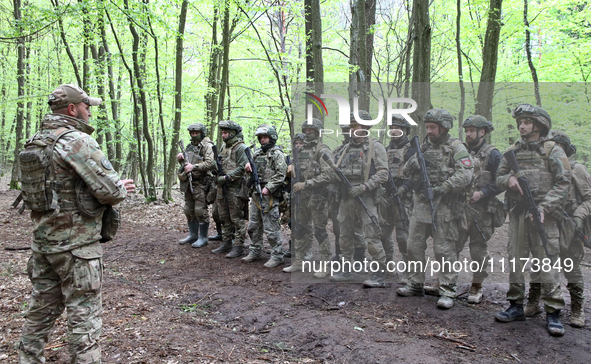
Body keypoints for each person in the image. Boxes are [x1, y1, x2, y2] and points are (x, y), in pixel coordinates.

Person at [17, 84, 135, 363]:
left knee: (39, 314)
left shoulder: (37, 140)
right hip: (77, 249)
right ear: (72, 109)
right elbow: (111, 192)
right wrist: (120, 186)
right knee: (84, 320)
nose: (89, 112)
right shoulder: (76, 141)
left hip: (44, 245)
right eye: (87, 107)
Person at [494, 104, 569, 336]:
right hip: (518, 214)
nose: (521, 126)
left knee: (547, 262)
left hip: (543, 217)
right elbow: (497, 178)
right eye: (519, 123)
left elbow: (564, 182)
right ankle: (516, 305)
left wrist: (545, 207)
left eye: (526, 122)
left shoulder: (553, 150)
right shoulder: (512, 151)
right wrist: (508, 180)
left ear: (538, 124)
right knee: (515, 260)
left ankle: (553, 312)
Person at [396, 108, 473, 308]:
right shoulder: (420, 146)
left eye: (433, 127)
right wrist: (412, 163)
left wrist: (442, 188)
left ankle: (447, 290)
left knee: (443, 249)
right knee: (413, 245)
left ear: (444, 127)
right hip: (421, 203)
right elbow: (403, 172)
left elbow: (465, 175)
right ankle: (415, 283)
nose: (429, 131)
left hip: (445, 206)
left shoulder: (456, 147)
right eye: (427, 127)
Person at [524, 130, 589, 328]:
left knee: (572, 268)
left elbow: (589, 198)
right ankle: (533, 302)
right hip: (546, 223)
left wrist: (578, 217)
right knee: (539, 264)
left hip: (569, 226)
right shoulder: (544, 169)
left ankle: (577, 309)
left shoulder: (577, 169)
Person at [329, 110, 390, 288]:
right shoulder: (345, 148)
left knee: (372, 236)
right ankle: (345, 270)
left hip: (367, 198)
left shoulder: (375, 147)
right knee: (344, 235)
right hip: (347, 197)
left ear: (365, 127)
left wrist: (364, 187)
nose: (353, 129)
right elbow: (335, 171)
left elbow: (384, 173)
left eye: (356, 125)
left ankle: (379, 275)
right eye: (351, 126)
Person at [456, 115, 503, 303]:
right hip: (460, 208)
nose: (467, 134)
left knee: (478, 248)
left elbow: (501, 182)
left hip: (482, 210)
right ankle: (446, 282)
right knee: (452, 245)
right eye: (466, 130)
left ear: (482, 132)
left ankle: (477, 285)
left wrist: (482, 193)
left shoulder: (493, 154)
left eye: (471, 131)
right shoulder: (460, 151)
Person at [285, 119, 332, 274]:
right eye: (305, 130)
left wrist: (306, 184)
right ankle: (299, 260)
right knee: (299, 228)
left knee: (319, 230)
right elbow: (293, 166)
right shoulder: (301, 149)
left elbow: (328, 175)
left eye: (310, 130)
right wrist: (290, 168)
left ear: (317, 131)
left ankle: (326, 263)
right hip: (301, 196)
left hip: (317, 196)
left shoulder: (323, 150)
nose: (307, 133)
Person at [243, 125, 288, 267]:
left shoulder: (277, 154)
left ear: (272, 137)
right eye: (261, 138)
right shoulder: (256, 154)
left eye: (265, 137)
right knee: (253, 225)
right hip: (256, 194)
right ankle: (255, 250)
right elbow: (250, 175)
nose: (263, 140)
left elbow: (281, 174)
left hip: (269, 196)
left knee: (271, 227)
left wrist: (269, 187)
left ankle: (277, 255)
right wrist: (248, 169)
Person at [380, 115, 415, 270]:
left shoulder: (411, 151)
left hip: (404, 199)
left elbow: (417, 177)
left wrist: (404, 188)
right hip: (386, 197)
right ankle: (388, 265)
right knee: (383, 234)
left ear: (405, 131)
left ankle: (409, 269)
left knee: (403, 236)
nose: (394, 131)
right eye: (392, 128)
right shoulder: (385, 150)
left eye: (398, 128)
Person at [211, 120, 249, 258]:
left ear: (232, 133)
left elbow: (242, 167)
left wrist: (227, 177)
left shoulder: (240, 148)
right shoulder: (223, 148)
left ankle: (238, 246)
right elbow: (219, 163)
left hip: (235, 188)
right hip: (222, 187)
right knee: (224, 217)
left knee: (236, 218)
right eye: (222, 133)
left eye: (225, 133)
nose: (223, 135)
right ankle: (226, 242)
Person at [176, 123, 215, 248]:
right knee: (188, 209)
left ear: (202, 132)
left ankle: (203, 237)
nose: (194, 135)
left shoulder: (207, 146)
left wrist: (195, 167)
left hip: (202, 182)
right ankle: (193, 235)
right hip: (189, 183)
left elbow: (210, 163)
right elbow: (187, 163)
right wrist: (181, 160)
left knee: (200, 210)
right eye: (192, 133)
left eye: (196, 133)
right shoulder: (189, 146)